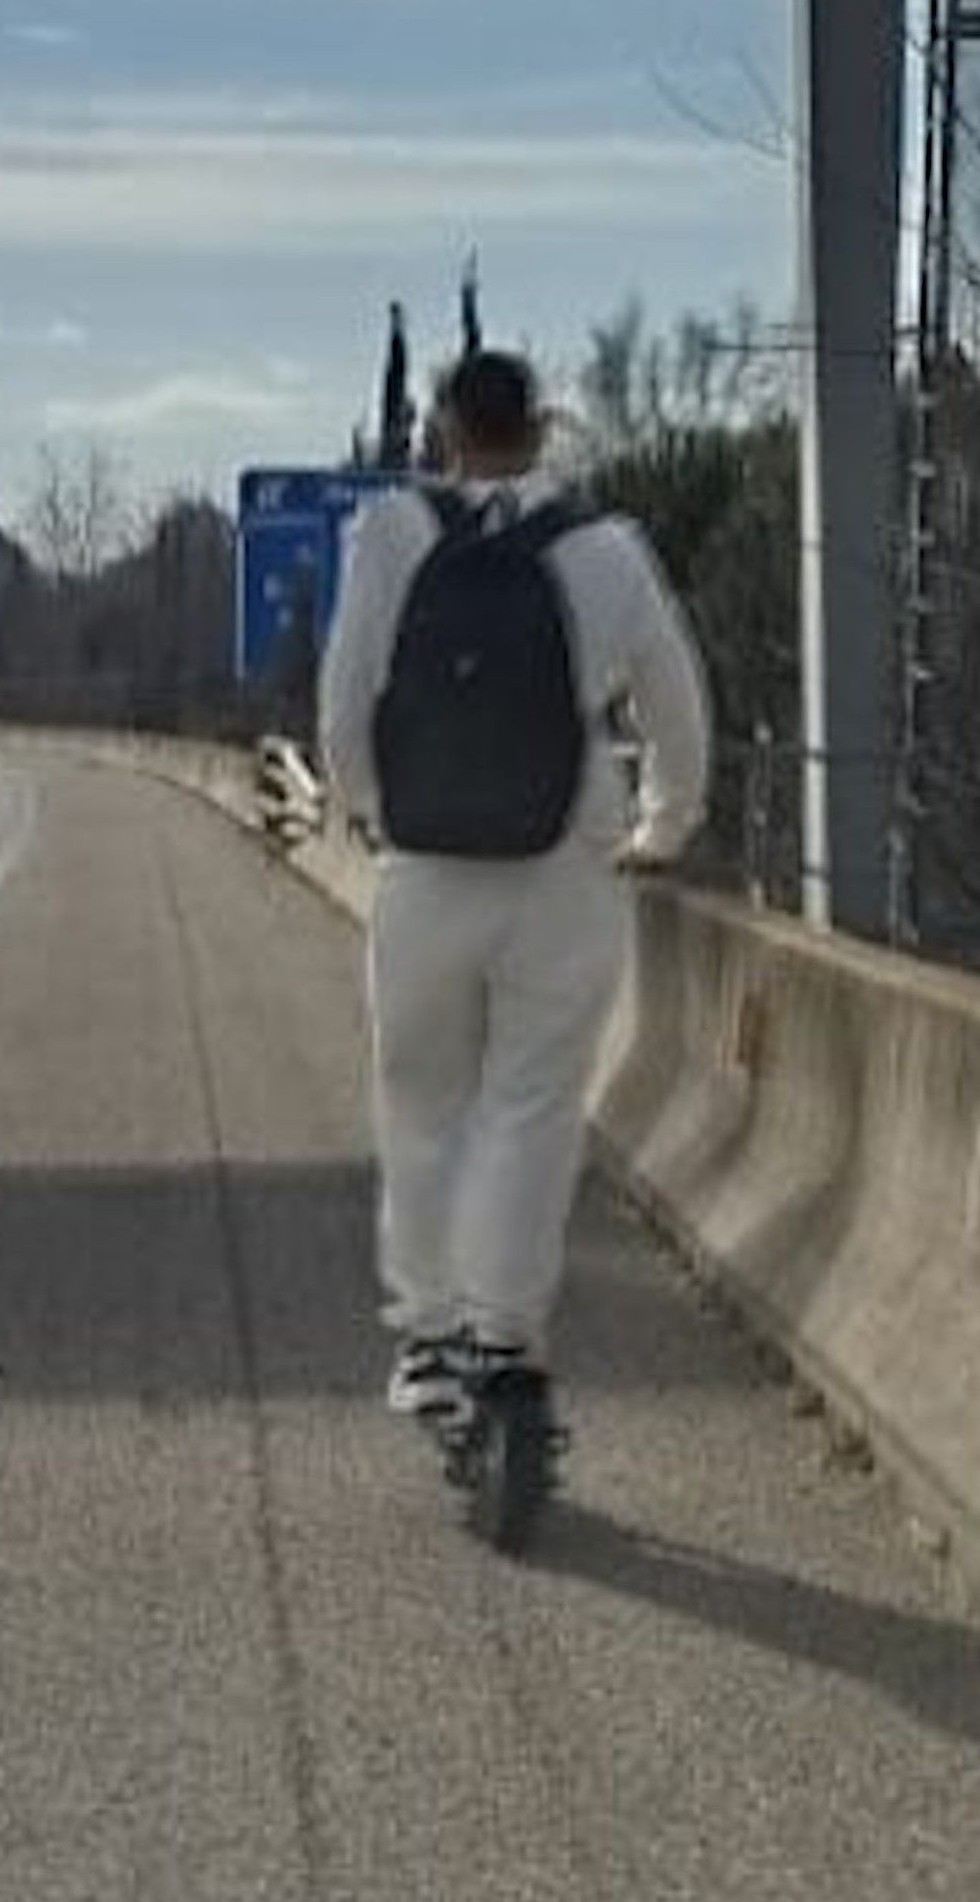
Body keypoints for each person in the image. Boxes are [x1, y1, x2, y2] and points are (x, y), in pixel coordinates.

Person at [318, 347, 710, 1420]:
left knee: (423, 1100)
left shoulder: (390, 534)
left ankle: (431, 1335)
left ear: (445, 427)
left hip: (427, 866)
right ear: (543, 428)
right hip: (565, 861)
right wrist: (661, 824)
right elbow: (677, 709)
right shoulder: (609, 549)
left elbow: (345, 705)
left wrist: (370, 808)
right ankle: (506, 1335)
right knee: (533, 1104)